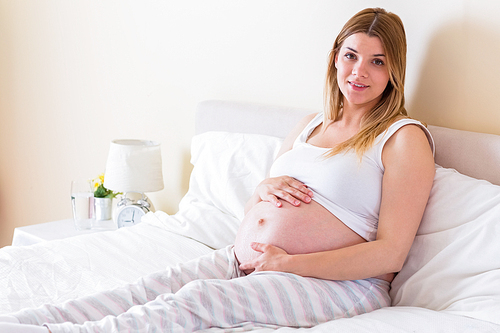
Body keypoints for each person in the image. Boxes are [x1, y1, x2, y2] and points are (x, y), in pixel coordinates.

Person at [0, 7, 435, 333]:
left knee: (195, 301)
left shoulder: (402, 138)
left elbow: (390, 253)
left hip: (341, 284)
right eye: (351, 55)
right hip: (249, 260)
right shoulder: (310, 125)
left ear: (394, 70)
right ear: (334, 57)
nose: (359, 71)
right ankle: (25, 323)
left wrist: (290, 262)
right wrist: (264, 190)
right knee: (145, 288)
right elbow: (257, 208)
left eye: (377, 62)